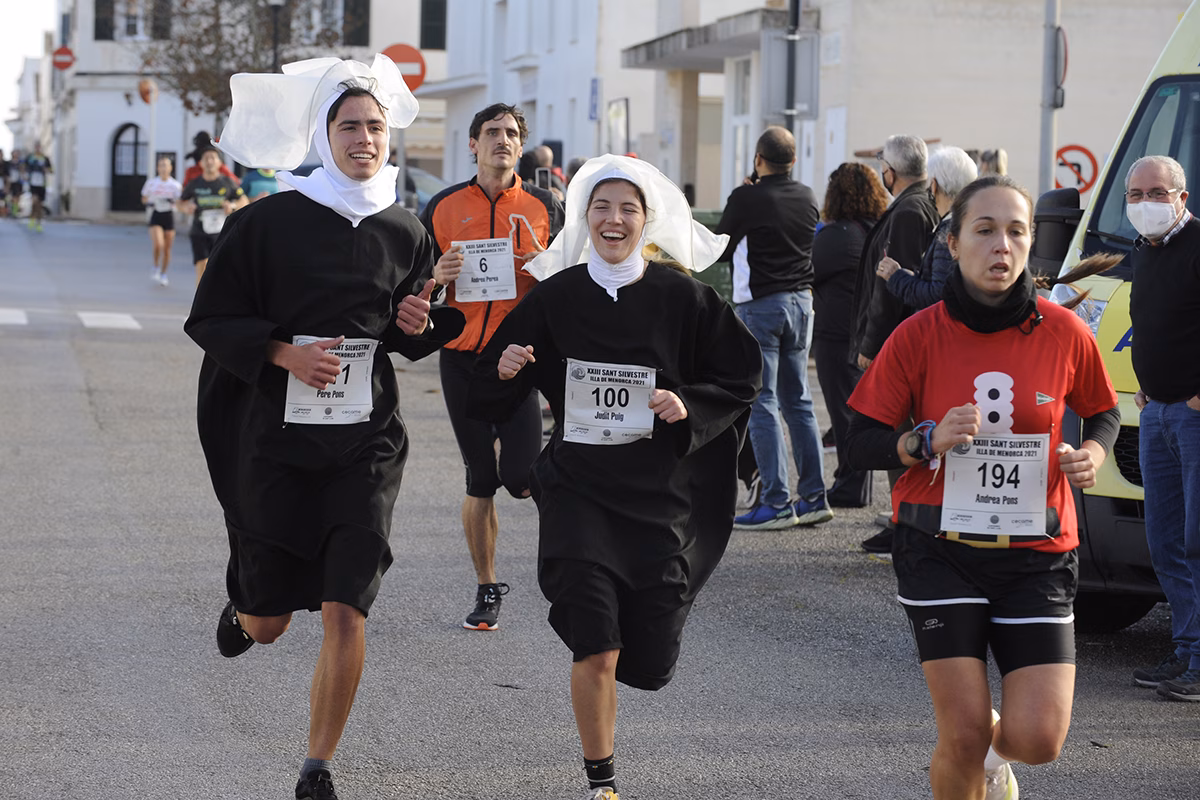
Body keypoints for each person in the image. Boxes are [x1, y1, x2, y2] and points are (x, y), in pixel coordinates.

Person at [185, 54, 464, 800]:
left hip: (365, 444)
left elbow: (403, 330)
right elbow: (209, 318)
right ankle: (248, 610)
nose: (365, 139)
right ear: (323, 134)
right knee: (273, 620)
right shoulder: (268, 223)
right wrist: (283, 352)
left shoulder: (405, 228)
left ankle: (317, 767)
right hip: (275, 442)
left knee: (348, 603)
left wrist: (420, 318)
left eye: (375, 126)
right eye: (349, 126)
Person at [468, 154, 761, 800]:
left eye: (628, 208)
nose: (614, 218)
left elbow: (741, 376)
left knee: (649, 658)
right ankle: (602, 782)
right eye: (601, 206)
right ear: (583, 217)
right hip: (578, 490)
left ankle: (631, 657)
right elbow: (487, 385)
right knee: (596, 643)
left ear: (646, 220)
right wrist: (508, 368)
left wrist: (689, 404)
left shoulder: (684, 297)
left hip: (658, 496)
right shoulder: (555, 296)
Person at [845, 175, 1120, 800]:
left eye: (1016, 231)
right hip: (938, 548)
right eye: (985, 230)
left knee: (1039, 739)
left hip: (1037, 552)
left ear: (1031, 244)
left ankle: (999, 756)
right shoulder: (917, 334)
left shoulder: (1063, 330)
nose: (1002, 245)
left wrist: (1092, 452)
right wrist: (923, 441)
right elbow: (860, 439)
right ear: (954, 241)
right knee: (962, 732)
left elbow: (1102, 410)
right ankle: (976, 753)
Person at [421, 103, 564, 630]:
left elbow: (570, 279)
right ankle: (487, 588)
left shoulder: (545, 204)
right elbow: (413, 284)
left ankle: (570, 558)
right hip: (461, 358)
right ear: (473, 144)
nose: (501, 141)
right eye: (491, 133)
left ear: (520, 146)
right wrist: (437, 274)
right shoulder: (442, 205)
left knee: (521, 477)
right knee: (481, 479)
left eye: (510, 134)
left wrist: (543, 265)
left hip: (518, 357)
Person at [715, 125, 831, 530]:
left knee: (762, 401)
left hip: (762, 305)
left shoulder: (746, 197)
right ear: (793, 161)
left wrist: (746, 193)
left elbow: (722, 247)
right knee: (799, 402)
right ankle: (815, 497)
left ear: (758, 160)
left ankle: (776, 502)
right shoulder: (807, 195)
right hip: (802, 303)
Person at [1121, 155, 1200, 700]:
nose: (1144, 204)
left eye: (1155, 193)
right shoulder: (1143, 254)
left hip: (1193, 417)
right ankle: (1188, 648)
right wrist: (1146, 387)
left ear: (1181, 197)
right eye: (1134, 195)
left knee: (1197, 543)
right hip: (1155, 414)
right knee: (1165, 542)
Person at [852, 134, 941, 555]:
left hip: (895, 343)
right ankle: (901, 516)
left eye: (881, 165)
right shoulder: (915, 205)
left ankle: (904, 519)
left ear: (892, 170)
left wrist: (873, 343)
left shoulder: (909, 211)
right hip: (901, 340)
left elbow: (893, 286)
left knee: (896, 430)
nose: (879, 173)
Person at [812, 162, 889, 509]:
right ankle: (857, 481)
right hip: (872, 331)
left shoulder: (836, 235)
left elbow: (807, 271)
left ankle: (850, 482)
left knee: (843, 410)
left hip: (837, 333)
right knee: (865, 410)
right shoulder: (879, 229)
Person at [876, 146, 978, 310]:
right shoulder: (972, 223)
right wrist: (912, 278)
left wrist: (895, 277)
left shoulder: (950, 230)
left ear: (934, 185)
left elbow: (937, 296)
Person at [179, 144, 247, 284]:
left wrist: (232, 205)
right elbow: (180, 203)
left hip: (222, 233)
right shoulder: (194, 183)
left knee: (220, 268)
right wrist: (187, 208)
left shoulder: (227, 182)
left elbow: (243, 200)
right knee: (202, 265)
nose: (209, 161)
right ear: (201, 163)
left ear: (219, 162)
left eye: (213, 158)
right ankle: (201, 301)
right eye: (206, 158)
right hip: (199, 230)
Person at [140, 155, 183, 286]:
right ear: (157, 168)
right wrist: (151, 201)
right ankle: (155, 265)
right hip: (156, 215)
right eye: (161, 165)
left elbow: (180, 202)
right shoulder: (152, 183)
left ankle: (164, 274)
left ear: (171, 168)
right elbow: (144, 198)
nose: (164, 168)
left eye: (166, 165)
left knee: (167, 249)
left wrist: (173, 202)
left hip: (169, 216)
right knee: (159, 244)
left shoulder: (175, 185)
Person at [24, 143, 52, 232]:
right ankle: (32, 219)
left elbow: (51, 170)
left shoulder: (45, 158)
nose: (38, 149)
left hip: (42, 184)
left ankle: (38, 222)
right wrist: (25, 175)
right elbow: (23, 166)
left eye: (39, 147)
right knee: (34, 201)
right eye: (36, 147)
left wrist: (46, 170)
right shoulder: (30, 157)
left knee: (39, 205)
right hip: (33, 183)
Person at [7, 149, 23, 217]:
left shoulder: (20, 163)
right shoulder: (9, 163)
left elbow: (23, 171)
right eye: (15, 153)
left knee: (17, 197)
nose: (16, 154)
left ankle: (15, 211)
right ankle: (13, 211)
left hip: (18, 182)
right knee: (13, 197)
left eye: (17, 153)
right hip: (11, 182)